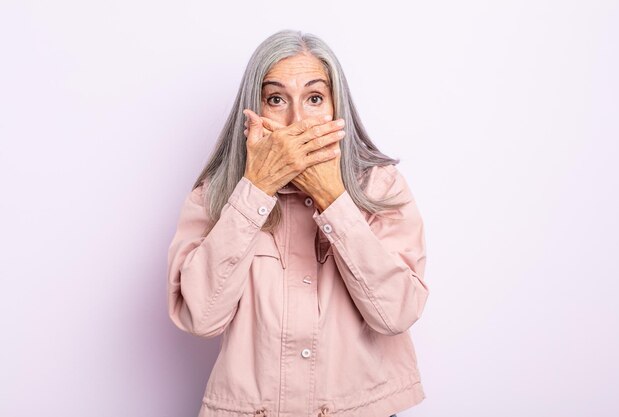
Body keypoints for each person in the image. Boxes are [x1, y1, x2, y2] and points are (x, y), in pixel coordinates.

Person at [167, 29, 429, 417]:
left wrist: (333, 199)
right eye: (276, 99)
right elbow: (201, 317)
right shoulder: (215, 195)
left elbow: (397, 314)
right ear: (252, 111)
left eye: (314, 98)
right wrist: (257, 189)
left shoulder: (381, 186)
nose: (296, 121)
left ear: (336, 106)